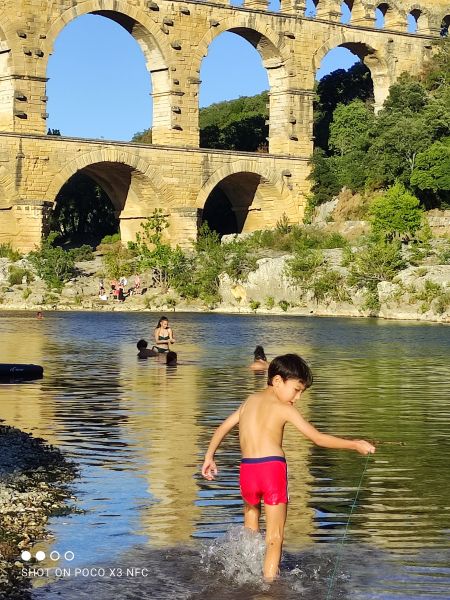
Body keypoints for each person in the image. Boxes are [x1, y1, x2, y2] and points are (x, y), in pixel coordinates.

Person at [201, 353, 375, 582]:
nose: (298, 398)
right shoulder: (284, 408)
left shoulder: (248, 402)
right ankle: (269, 587)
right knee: (275, 537)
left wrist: (209, 457)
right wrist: (354, 444)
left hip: (247, 471)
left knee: (250, 532)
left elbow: (222, 428)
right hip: (271, 470)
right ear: (277, 381)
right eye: (296, 390)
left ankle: (245, 578)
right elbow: (318, 438)